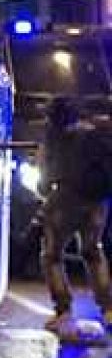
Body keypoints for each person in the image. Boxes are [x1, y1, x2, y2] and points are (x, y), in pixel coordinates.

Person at [38, 95, 112, 334]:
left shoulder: (57, 135)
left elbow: (48, 170)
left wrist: (44, 190)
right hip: (97, 201)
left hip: (66, 199)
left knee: (52, 255)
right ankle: (109, 310)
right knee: (93, 252)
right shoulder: (93, 132)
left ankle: (63, 310)